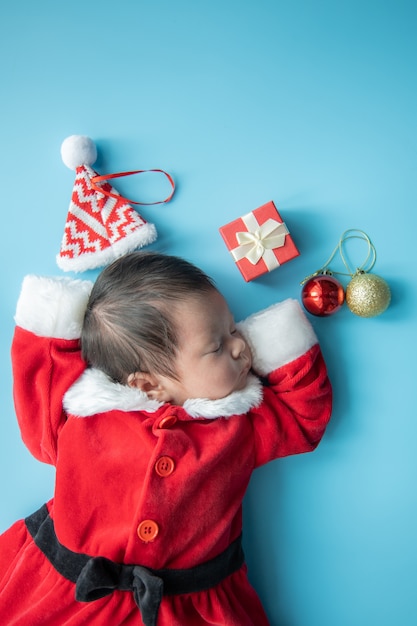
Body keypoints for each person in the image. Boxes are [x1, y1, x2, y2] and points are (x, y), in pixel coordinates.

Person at [0, 251, 332, 626]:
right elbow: (39, 384)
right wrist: (53, 313)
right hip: (69, 594)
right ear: (148, 385)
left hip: (190, 605)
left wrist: (280, 340)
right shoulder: (83, 413)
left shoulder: (241, 426)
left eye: (235, 330)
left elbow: (305, 416)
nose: (241, 347)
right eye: (217, 346)